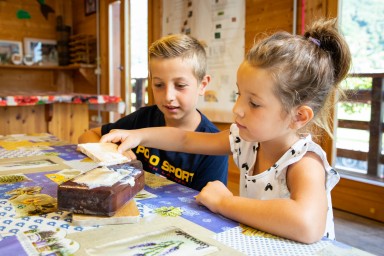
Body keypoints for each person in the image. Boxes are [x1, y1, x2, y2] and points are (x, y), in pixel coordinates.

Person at [100, 18, 351, 244]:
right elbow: (186, 139)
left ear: (298, 116)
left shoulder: (304, 162)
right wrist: (139, 135)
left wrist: (225, 202)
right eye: (239, 94)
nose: (238, 109)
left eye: (254, 103)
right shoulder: (245, 139)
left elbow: (307, 225)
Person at [79, 34, 228, 191]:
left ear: (202, 85)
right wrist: (114, 152)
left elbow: (208, 207)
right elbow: (87, 136)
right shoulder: (143, 118)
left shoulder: (214, 146)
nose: (168, 96)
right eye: (159, 85)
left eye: (180, 85)